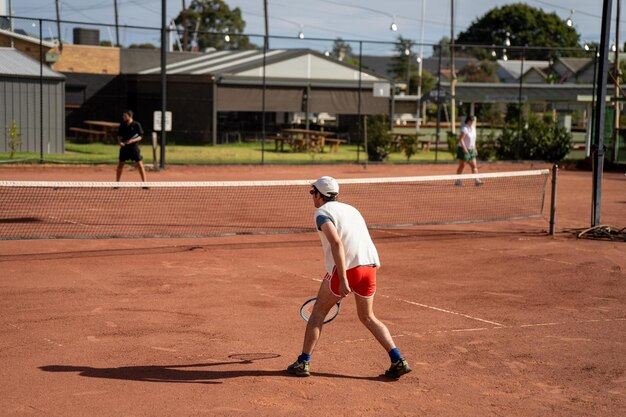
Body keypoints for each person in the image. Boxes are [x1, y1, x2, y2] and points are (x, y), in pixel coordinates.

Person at [287, 176, 411, 379]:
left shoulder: (321, 213)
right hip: (370, 266)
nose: (312, 196)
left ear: (319, 195)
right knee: (368, 317)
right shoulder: (353, 209)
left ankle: (303, 363)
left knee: (317, 313)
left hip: (347, 270)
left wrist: (343, 279)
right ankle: (398, 359)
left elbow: (336, 243)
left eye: (312, 192)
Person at [116, 110, 147, 182]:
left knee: (139, 165)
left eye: (125, 116)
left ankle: (144, 183)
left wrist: (132, 141)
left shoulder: (136, 124)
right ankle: (117, 183)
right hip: (124, 148)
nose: (123, 117)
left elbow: (140, 136)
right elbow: (119, 136)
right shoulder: (122, 124)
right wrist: (120, 142)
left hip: (134, 148)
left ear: (130, 116)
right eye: (123, 115)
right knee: (120, 165)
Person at [455, 115, 482, 186]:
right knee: (462, 166)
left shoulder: (473, 128)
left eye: (473, 121)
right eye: (471, 121)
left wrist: (475, 149)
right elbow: (461, 139)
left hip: (471, 149)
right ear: (468, 121)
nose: (472, 122)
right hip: (462, 149)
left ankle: (477, 180)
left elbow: (473, 140)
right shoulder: (465, 129)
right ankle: (458, 181)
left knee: (474, 166)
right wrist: (465, 149)